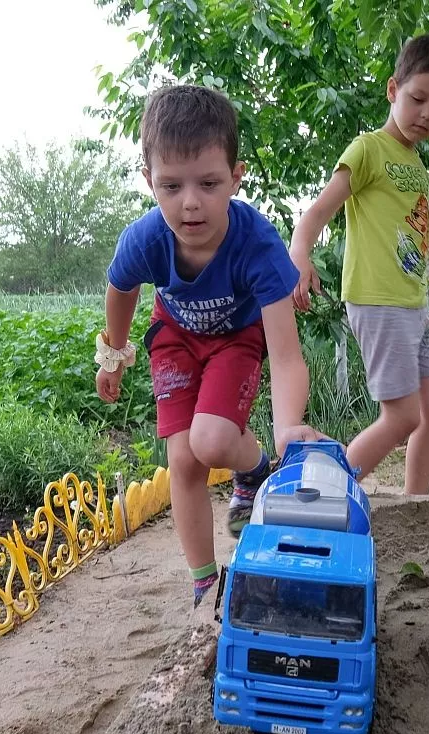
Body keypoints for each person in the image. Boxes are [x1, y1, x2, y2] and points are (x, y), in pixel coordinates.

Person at [95, 85, 322, 607]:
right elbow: (121, 290)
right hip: (173, 338)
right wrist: (114, 353)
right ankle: (204, 581)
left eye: (209, 183)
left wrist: (288, 425)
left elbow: (285, 354)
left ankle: (254, 464)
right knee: (184, 460)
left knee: (214, 442)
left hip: (236, 341)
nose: (190, 202)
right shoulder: (144, 239)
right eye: (171, 185)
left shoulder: (258, 245)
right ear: (148, 179)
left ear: (235, 178)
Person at [288, 34, 429, 495]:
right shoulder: (368, 149)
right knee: (403, 416)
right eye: (418, 99)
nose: (427, 114)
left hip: (413, 303)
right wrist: (301, 253)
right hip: (378, 300)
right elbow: (318, 211)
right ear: (393, 90)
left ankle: (415, 503)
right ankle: (320, 494)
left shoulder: (416, 162)